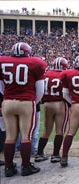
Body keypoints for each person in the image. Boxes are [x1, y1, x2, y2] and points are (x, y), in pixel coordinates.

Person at [0, 42, 46, 177]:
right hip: (26, 101)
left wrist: (8, 96)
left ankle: (8, 168)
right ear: (28, 52)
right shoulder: (36, 63)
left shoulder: (3, 61)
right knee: (26, 136)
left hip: (7, 102)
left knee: (10, 136)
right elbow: (40, 90)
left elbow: (1, 87)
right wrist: (33, 101)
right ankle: (26, 166)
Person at [35, 57, 69, 163]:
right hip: (60, 103)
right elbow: (67, 92)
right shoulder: (65, 75)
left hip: (47, 104)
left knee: (46, 130)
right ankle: (55, 155)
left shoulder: (45, 75)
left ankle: (39, 153)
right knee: (59, 130)